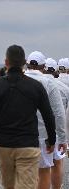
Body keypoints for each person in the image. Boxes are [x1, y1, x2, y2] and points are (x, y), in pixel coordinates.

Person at [0, 45, 56, 189]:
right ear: (24, 62)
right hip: (28, 144)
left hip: (5, 145)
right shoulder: (35, 86)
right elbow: (48, 115)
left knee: (8, 186)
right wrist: (51, 140)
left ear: (6, 62)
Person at [25, 52, 67, 189]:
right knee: (44, 172)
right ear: (43, 67)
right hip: (43, 134)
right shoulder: (49, 83)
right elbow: (59, 113)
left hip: (16, 134)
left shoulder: (13, 80)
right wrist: (62, 138)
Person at [43, 58, 69, 189]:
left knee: (42, 167)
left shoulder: (37, 83)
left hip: (40, 130)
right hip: (58, 129)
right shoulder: (63, 87)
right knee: (57, 163)